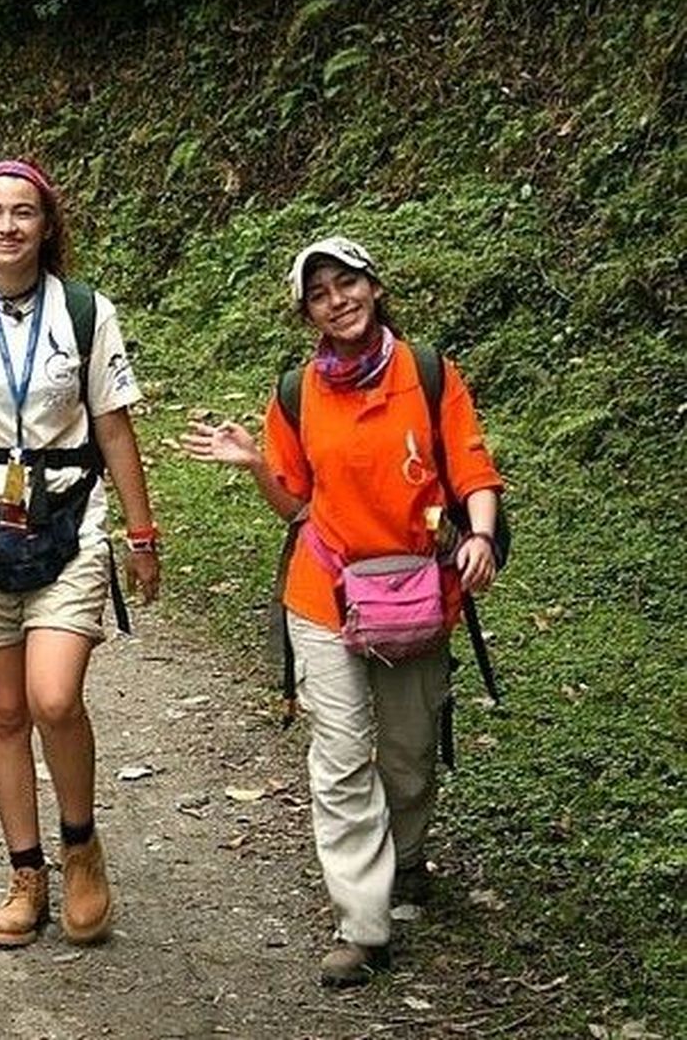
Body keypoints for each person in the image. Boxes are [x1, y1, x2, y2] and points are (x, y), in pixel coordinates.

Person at [180, 236, 504, 987]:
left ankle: (407, 853)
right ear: (308, 313)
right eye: (320, 293)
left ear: (374, 285)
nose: (338, 300)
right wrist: (258, 464)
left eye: (347, 283)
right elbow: (295, 506)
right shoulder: (297, 392)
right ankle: (363, 921)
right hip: (324, 592)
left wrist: (480, 535)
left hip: (418, 590)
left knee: (410, 747)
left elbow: (473, 467)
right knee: (340, 753)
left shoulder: (428, 374)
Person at [0, 160, 161, 950]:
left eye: (23, 212)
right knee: (6, 710)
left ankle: (80, 845)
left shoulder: (85, 313)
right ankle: (26, 870)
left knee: (54, 697)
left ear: (48, 226)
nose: (8, 226)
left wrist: (143, 536)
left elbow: (115, 425)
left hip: (69, 519)